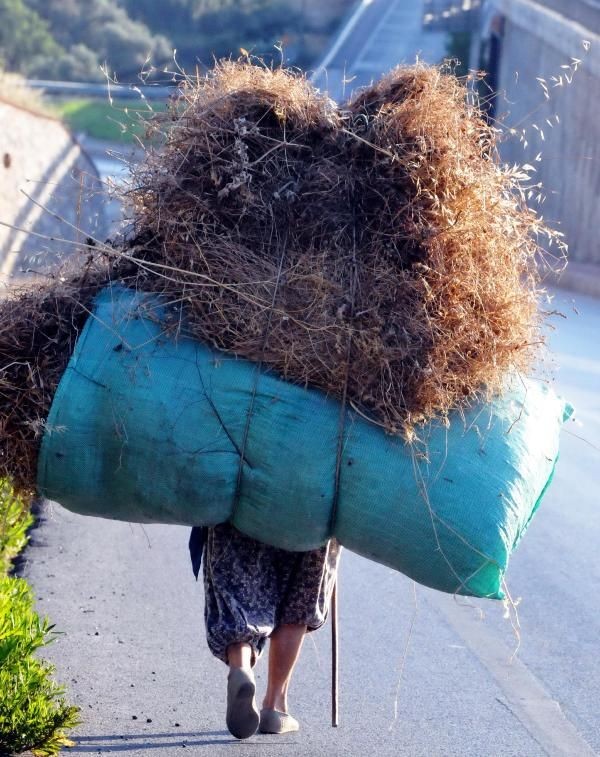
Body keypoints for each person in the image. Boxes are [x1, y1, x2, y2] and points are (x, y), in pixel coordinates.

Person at [190, 523, 340, 739]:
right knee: (299, 599)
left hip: (244, 503)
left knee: (238, 591)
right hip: (312, 510)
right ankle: (274, 704)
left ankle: (240, 666)